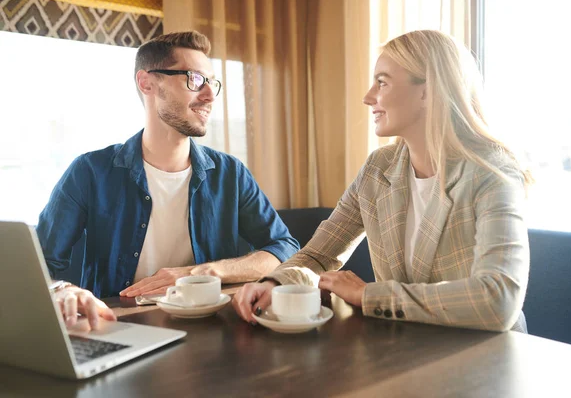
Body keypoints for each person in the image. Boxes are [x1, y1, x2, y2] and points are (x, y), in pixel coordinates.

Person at [233, 30, 531, 332]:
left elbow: (499, 300)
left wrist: (368, 295)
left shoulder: (493, 172)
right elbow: (319, 255)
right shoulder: (380, 167)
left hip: (489, 357)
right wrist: (274, 282)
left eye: (382, 82)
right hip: (408, 349)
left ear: (428, 91)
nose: (368, 97)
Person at [37, 31, 299, 329]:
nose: (210, 95)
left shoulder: (231, 173)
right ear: (147, 82)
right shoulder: (89, 172)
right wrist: (63, 290)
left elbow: (284, 248)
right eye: (195, 79)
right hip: (119, 327)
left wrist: (205, 272)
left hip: (215, 329)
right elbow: (40, 264)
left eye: (212, 83)